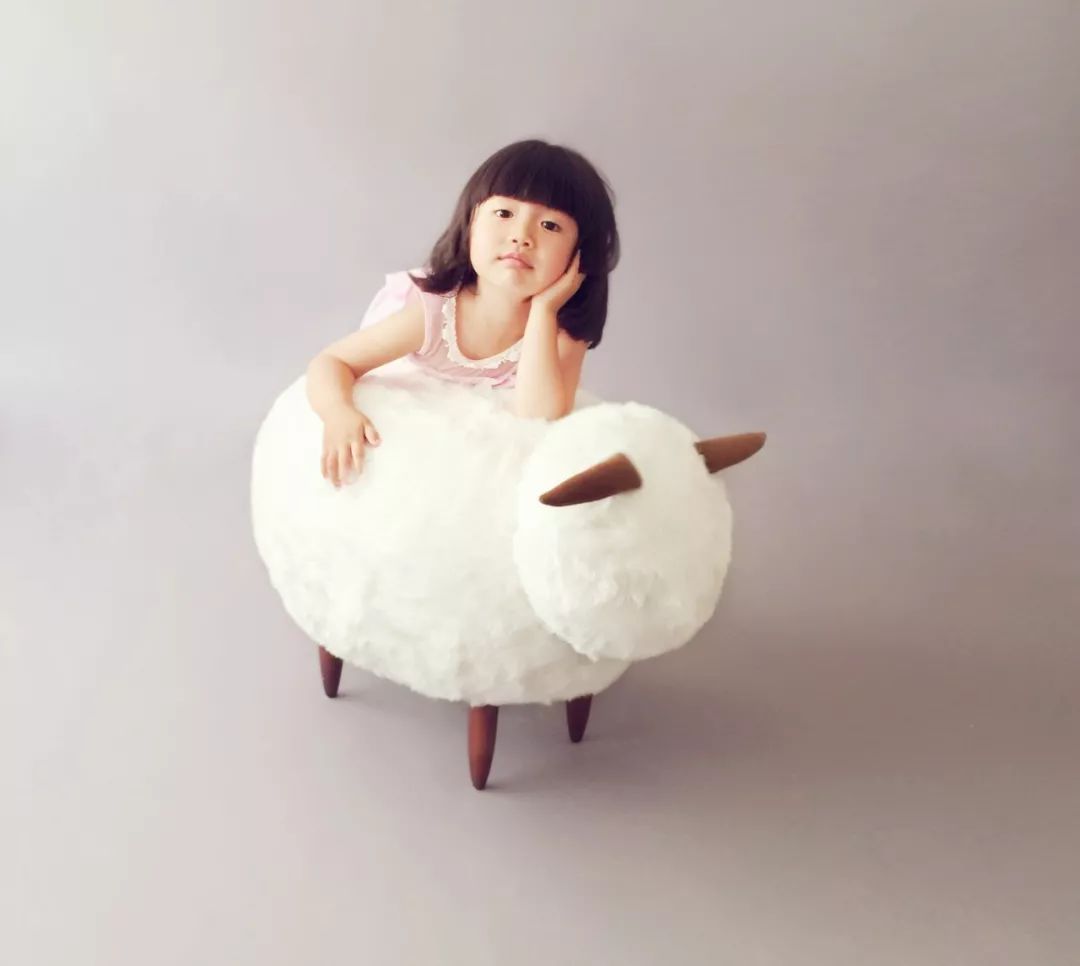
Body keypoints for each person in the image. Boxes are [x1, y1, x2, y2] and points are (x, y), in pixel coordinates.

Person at [305, 138, 620, 487]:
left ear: (580, 254)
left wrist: (544, 311)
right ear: (471, 224)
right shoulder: (434, 312)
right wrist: (337, 412)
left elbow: (539, 416)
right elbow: (333, 361)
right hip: (405, 411)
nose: (521, 236)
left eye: (550, 225)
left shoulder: (561, 329)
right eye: (504, 214)